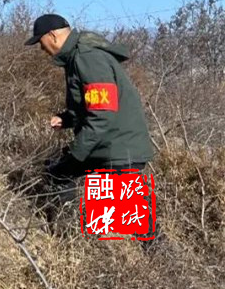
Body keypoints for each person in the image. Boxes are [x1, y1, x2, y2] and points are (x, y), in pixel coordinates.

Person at [25, 14, 155, 197]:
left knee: (125, 214)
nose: (41, 48)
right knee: (57, 172)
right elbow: (93, 104)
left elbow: (102, 115)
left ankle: (64, 214)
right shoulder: (76, 57)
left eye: (41, 41)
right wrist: (66, 119)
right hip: (107, 144)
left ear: (52, 35)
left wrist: (76, 152)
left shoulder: (88, 58)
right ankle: (63, 215)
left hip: (118, 150)